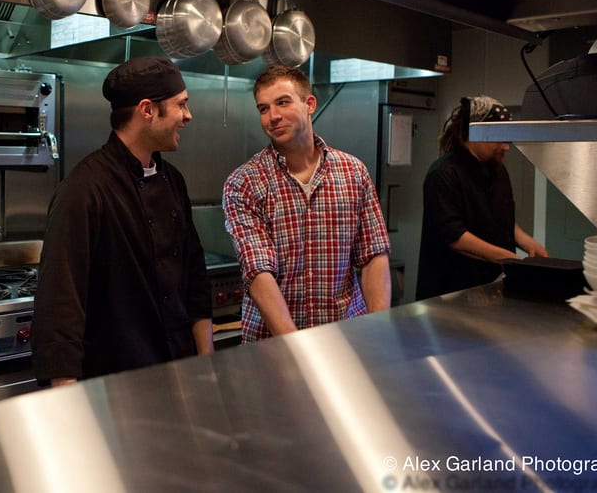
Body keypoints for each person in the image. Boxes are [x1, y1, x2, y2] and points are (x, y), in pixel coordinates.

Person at [32, 56, 213, 386]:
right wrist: (67, 401)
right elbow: (60, 305)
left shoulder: (173, 180)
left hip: (179, 370)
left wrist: (206, 367)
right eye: (181, 105)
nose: (188, 116)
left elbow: (196, 279)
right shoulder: (84, 190)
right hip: (114, 382)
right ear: (147, 110)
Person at [222, 65, 391, 342]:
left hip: (346, 338)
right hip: (274, 347)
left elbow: (373, 255)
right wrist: (296, 347)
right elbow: (258, 271)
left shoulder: (353, 172)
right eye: (263, 109)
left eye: (283, 102)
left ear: (310, 104)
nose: (272, 116)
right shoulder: (244, 182)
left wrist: (379, 328)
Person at [417, 95, 548, 300]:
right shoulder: (443, 174)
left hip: (491, 289)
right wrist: (511, 259)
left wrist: (528, 243)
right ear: (471, 134)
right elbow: (456, 237)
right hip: (450, 294)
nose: (506, 146)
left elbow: (502, 219)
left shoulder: (497, 170)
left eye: (507, 138)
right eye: (498, 137)